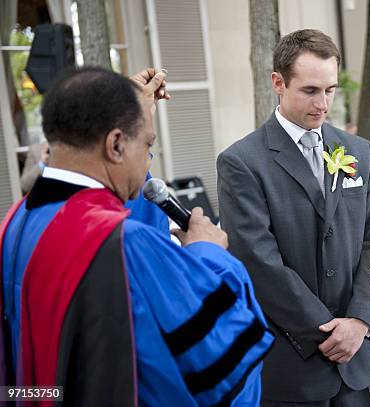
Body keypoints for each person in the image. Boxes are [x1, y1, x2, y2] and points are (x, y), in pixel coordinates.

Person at [0, 67, 274, 406]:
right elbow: (223, 364)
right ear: (115, 144)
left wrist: (139, 112)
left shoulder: (15, 224)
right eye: (147, 145)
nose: (147, 163)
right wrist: (210, 255)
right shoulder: (124, 245)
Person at [217, 29, 370, 406]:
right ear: (278, 82)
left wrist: (360, 320)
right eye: (310, 91)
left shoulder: (358, 151)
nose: (323, 103)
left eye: (330, 90)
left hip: (359, 363)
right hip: (294, 364)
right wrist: (328, 332)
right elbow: (257, 261)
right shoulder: (242, 163)